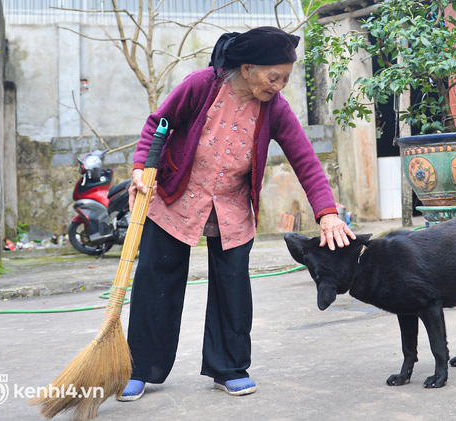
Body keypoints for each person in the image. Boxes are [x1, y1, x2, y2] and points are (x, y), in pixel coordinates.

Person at [118, 26, 355, 401]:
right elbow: (158, 125)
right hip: (176, 197)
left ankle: (228, 368)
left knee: (233, 288)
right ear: (246, 69)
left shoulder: (275, 108)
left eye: (285, 79)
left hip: (231, 205)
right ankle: (140, 369)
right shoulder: (201, 86)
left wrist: (327, 212)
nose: (279, 85)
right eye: (272, 76)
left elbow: (305, 159)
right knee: (156, 280)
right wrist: (139, 169)